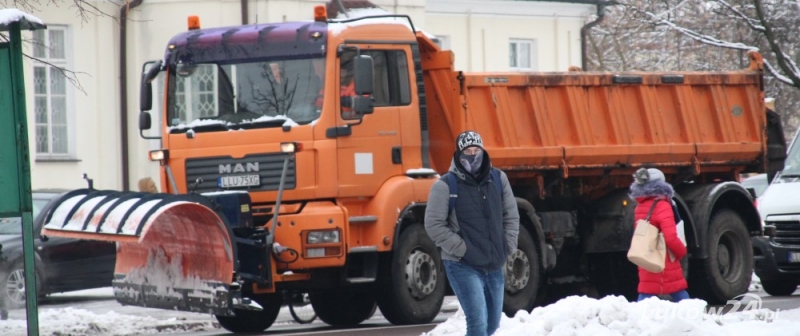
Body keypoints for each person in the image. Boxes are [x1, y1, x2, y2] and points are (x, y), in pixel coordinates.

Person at [424, 131, 520, 336]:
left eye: (477, 150)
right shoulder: (445, 185)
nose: (473, 155)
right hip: (463, 265)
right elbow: (433, 224)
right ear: (459, 154)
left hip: (494, 264)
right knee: (477, 325)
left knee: (492, 326)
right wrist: (462, 249)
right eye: (468, 151)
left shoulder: (498, 179)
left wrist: (508, 244)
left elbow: (511, 215)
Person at [629, 167, 689, 302]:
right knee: (678, 290)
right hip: (664, 258)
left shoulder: (640, 206)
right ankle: (692, 316)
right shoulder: (662, 205)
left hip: (647, 255)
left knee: (647, 291)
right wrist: (681, 251)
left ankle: (639, 319)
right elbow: (671, 237)